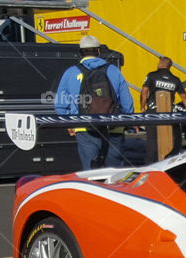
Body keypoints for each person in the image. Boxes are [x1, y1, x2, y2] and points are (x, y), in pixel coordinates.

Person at [54, 35, 133, 169]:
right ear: (98, 51)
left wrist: (69, 123)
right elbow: (127, 101)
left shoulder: (71, 72)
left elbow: (60, 104)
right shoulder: (113, 70)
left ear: (80, 52)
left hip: (84, 126)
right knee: (115, 172)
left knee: (91, 171)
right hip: (113, 126)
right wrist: (127, 121)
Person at [140, 57, 186, 162]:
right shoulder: (175, 79)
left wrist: (142, 107)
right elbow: (184, 98)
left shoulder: (152, 75)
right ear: (170, 66)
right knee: (170, 139)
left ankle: (151, 164)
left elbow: (144, 91)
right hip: (169, 113)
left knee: (152, 140)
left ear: (160, 64)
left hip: (153, 111)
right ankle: (169, 162)